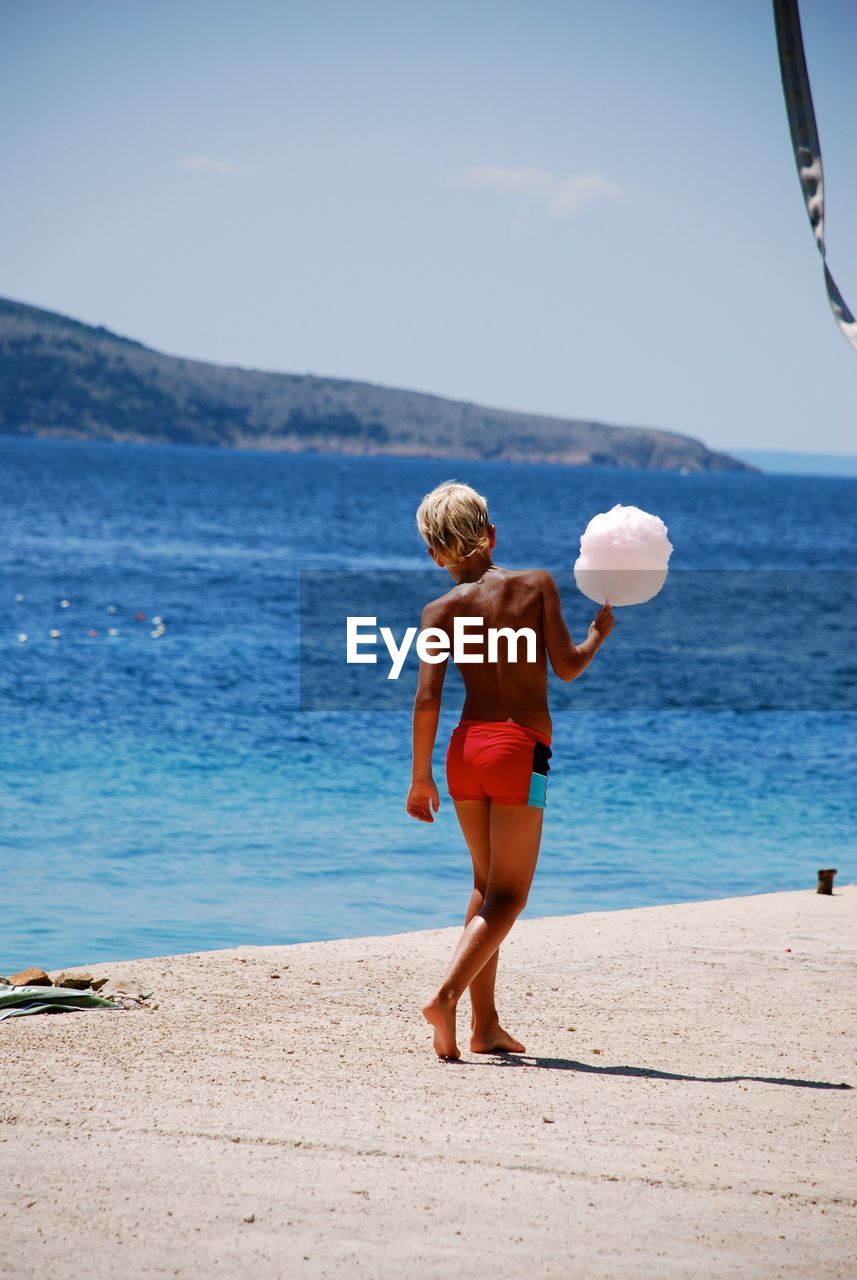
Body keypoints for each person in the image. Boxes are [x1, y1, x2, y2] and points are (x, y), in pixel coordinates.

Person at [406, 480, 614, 1060]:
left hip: (463, 751)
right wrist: (597, 634)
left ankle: (485, 1025)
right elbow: (567, 667)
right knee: (512, 894)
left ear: (434, 554)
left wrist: (419, 776)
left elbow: (427, 699)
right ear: (491, 534)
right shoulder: (535, 585)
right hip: (520, 751)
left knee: (484, 886)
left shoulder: (438, 611)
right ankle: (445, 996)